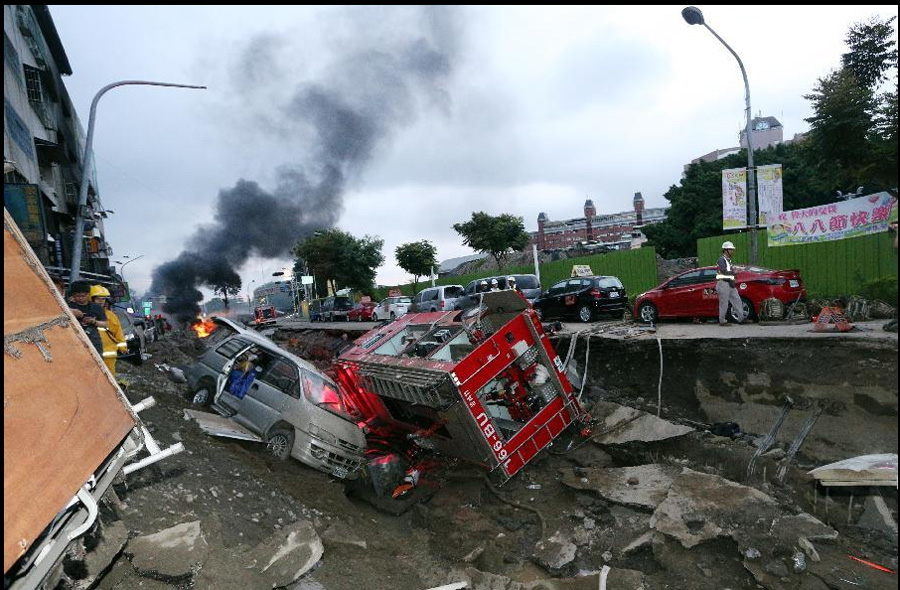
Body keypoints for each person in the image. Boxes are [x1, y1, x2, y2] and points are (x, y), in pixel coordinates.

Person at [91, 285, 127, 376]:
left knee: (109, 381)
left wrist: (123, 348)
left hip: (108, 356)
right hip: (92, 354)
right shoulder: (86, 314)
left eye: (103, 299)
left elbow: (118, 333)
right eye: (98, 299)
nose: (100, 301)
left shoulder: (111, 316)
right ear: (91, 299)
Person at [67, 281, 107, 355]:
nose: (80, 298)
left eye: (83, 296)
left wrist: (94, 322)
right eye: (77, 296)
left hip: (94, 342)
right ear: (73, 295)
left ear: (88, 294)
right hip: (73, 341)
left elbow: (104, 324)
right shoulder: (67, 307)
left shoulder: (97, 307)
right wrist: (71, 312)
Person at [716, 241, 745, 326]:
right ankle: (722, 321)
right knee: (724, 303)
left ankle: (741, 319)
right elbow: (724, 271)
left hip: (730, 284)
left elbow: (729, 270)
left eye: (732, 249)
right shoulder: (721, 259)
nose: (732, 251)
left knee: (737, 300)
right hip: (723, 284)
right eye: (731, 249)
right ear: (725, 250)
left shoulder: (727, 260)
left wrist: (736, 269)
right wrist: (735, 271)